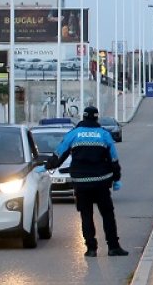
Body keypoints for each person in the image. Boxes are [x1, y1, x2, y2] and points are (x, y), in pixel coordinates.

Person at [48, 106, 128, 256]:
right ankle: (113, 247)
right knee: (107, 214)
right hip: (101, 182)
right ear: (96, 118)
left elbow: (60, 153)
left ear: (83, 118)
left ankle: (91, 248)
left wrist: (47, 166)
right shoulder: (104, 135)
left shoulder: (74, 134)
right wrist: (116, 178)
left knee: (86, 215)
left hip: (81, 183)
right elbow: (114, 159)